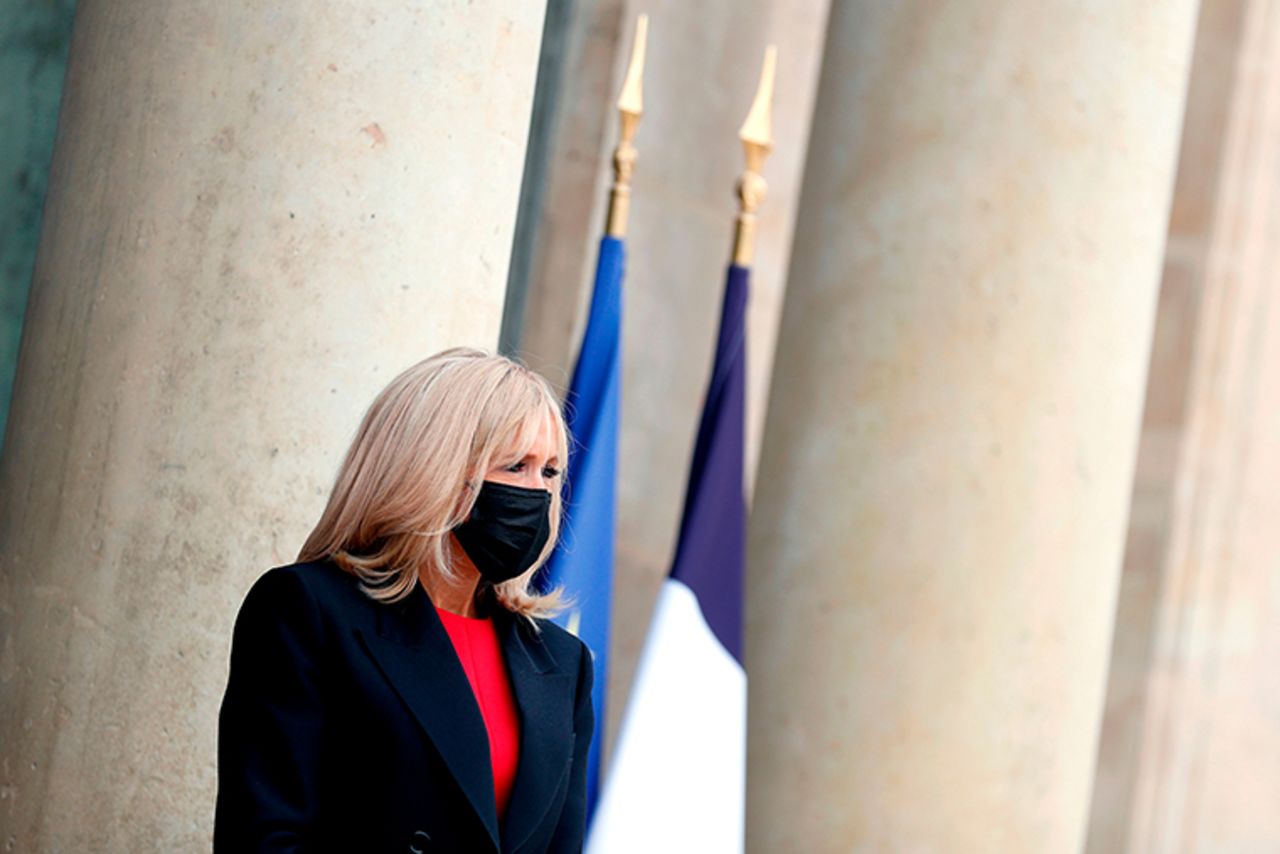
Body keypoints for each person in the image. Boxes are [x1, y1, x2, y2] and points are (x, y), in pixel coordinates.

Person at [214, 347, 594, 853]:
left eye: (549, 472)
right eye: (515, 465)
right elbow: (265, 837)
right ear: (434, 466)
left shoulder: (562, 662)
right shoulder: (307, 611)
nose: (538, 492)